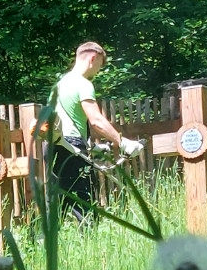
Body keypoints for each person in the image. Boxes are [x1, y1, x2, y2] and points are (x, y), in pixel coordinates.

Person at [47, 42, 142, 217]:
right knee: (86, 207)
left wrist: (92, 147)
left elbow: (64, 122)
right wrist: (122, 143)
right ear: (92, 59)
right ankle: (89, 239)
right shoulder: (83, 84)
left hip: (53, 147)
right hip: (72, 149)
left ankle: (43, 242)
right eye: (98, 67)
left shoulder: (59, 85)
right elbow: (96, 120)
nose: (96, 72)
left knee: (55, 207)